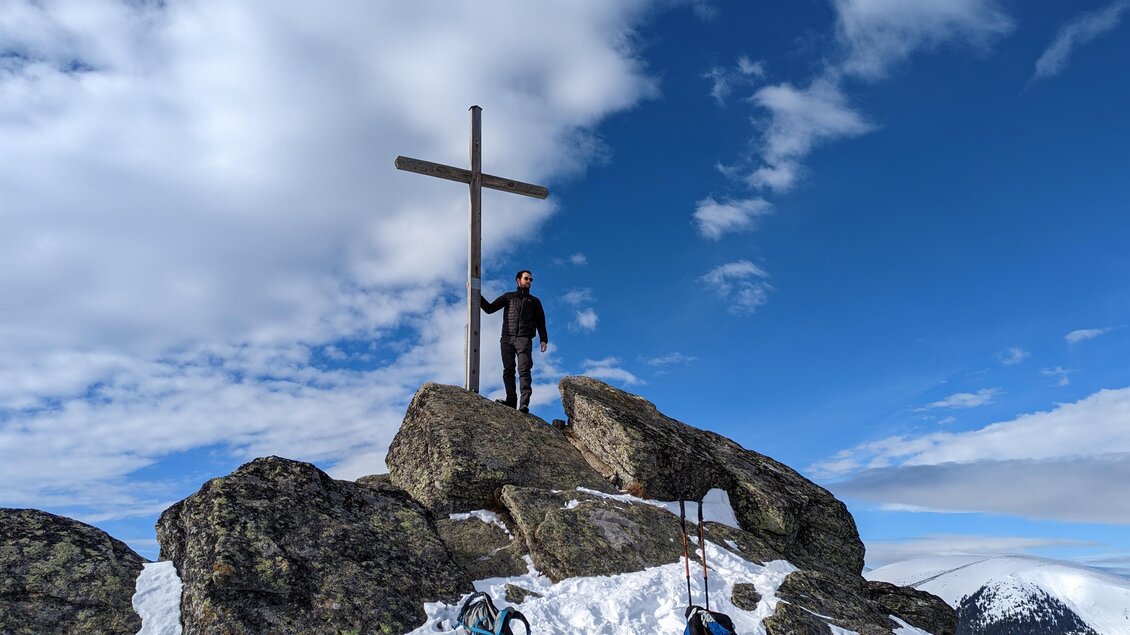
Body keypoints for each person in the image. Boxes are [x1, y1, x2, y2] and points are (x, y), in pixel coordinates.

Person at [480, 270, 548, 413]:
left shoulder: (535, 302)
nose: (529, 281)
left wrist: (543, 340)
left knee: (524, 370)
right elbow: (489, 308)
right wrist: (475, 294)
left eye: (531, 279)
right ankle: (511, 401)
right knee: (508, 371)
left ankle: (524, 404)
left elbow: (541, 322)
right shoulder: (508, 297)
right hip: (506, 338)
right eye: (526, 278)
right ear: (518, 280)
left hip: (524, 339)